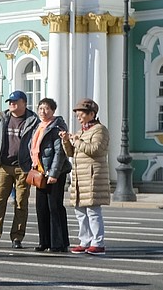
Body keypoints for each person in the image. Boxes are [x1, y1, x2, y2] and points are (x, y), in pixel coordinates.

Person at [0, 90, 38, 249]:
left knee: (21, 203)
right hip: (4, 167)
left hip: (23, 168)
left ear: (24, 103)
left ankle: (17, 237)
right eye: (10, 102)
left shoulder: (32, 121)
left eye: (15, 101)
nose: (11, 104)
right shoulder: (3, 118)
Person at [61, 98, 110, 254]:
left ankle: (98, 242)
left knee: (93, 211)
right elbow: (71, 153)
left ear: (91, 114)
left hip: (92, 176)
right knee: (80, 211)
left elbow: (95, 149)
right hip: (79, 177)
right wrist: (66, 142)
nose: (78, 116)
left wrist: (75, 141)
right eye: (77, 114)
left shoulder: (100, 130)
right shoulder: (82, 131)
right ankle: (85, 240)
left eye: (81, 113)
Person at [27, 98, 70, 253]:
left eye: (46, 109)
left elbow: (60, 153)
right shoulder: (38, 126)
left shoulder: (57, 127)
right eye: (40, 108)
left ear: (53, 111)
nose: (43, 112)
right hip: (40, 171)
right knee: (41, 207)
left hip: (54, 172)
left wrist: (54, 173)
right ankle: (44, 241)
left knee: (55, 207)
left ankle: (59, 243)